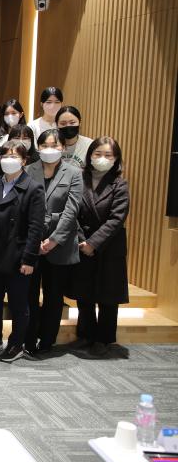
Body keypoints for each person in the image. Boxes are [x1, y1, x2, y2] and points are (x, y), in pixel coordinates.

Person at [0, 141, 45, 363]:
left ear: (24, 160)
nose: (9, 159)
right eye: (5, 155)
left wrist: (29, 259)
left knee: (18, 303)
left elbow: (36, 227)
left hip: (18, 255)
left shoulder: (34, 188)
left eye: (14, 156)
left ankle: (17, 343)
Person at [23, 129, 83, 357]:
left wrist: (53, 240)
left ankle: (47, 340)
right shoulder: (28, 170)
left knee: (54, 296)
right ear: (38, 148)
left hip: (61, 245)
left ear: (63, 148)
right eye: (45, 145)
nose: (50, 149)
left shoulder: (74, 173)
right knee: (29, 295)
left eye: (55, 145)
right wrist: (35, 240)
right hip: (32, 243)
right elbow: (24, 208)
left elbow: (72, 210)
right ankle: (29, 338)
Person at [71, 136, 130, 357]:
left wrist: (93, 243)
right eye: (98, 154)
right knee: (84, 293)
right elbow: (72, 212)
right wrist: (82, 240)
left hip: (108, 246)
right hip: (82, 242)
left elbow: (117, 218)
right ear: (90, 155)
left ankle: (104, 339)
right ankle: (85, 334)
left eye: (108, 155)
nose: (102, 158)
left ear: (116, 159)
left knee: (108, 296)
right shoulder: (79, 178)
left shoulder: (120, 184)